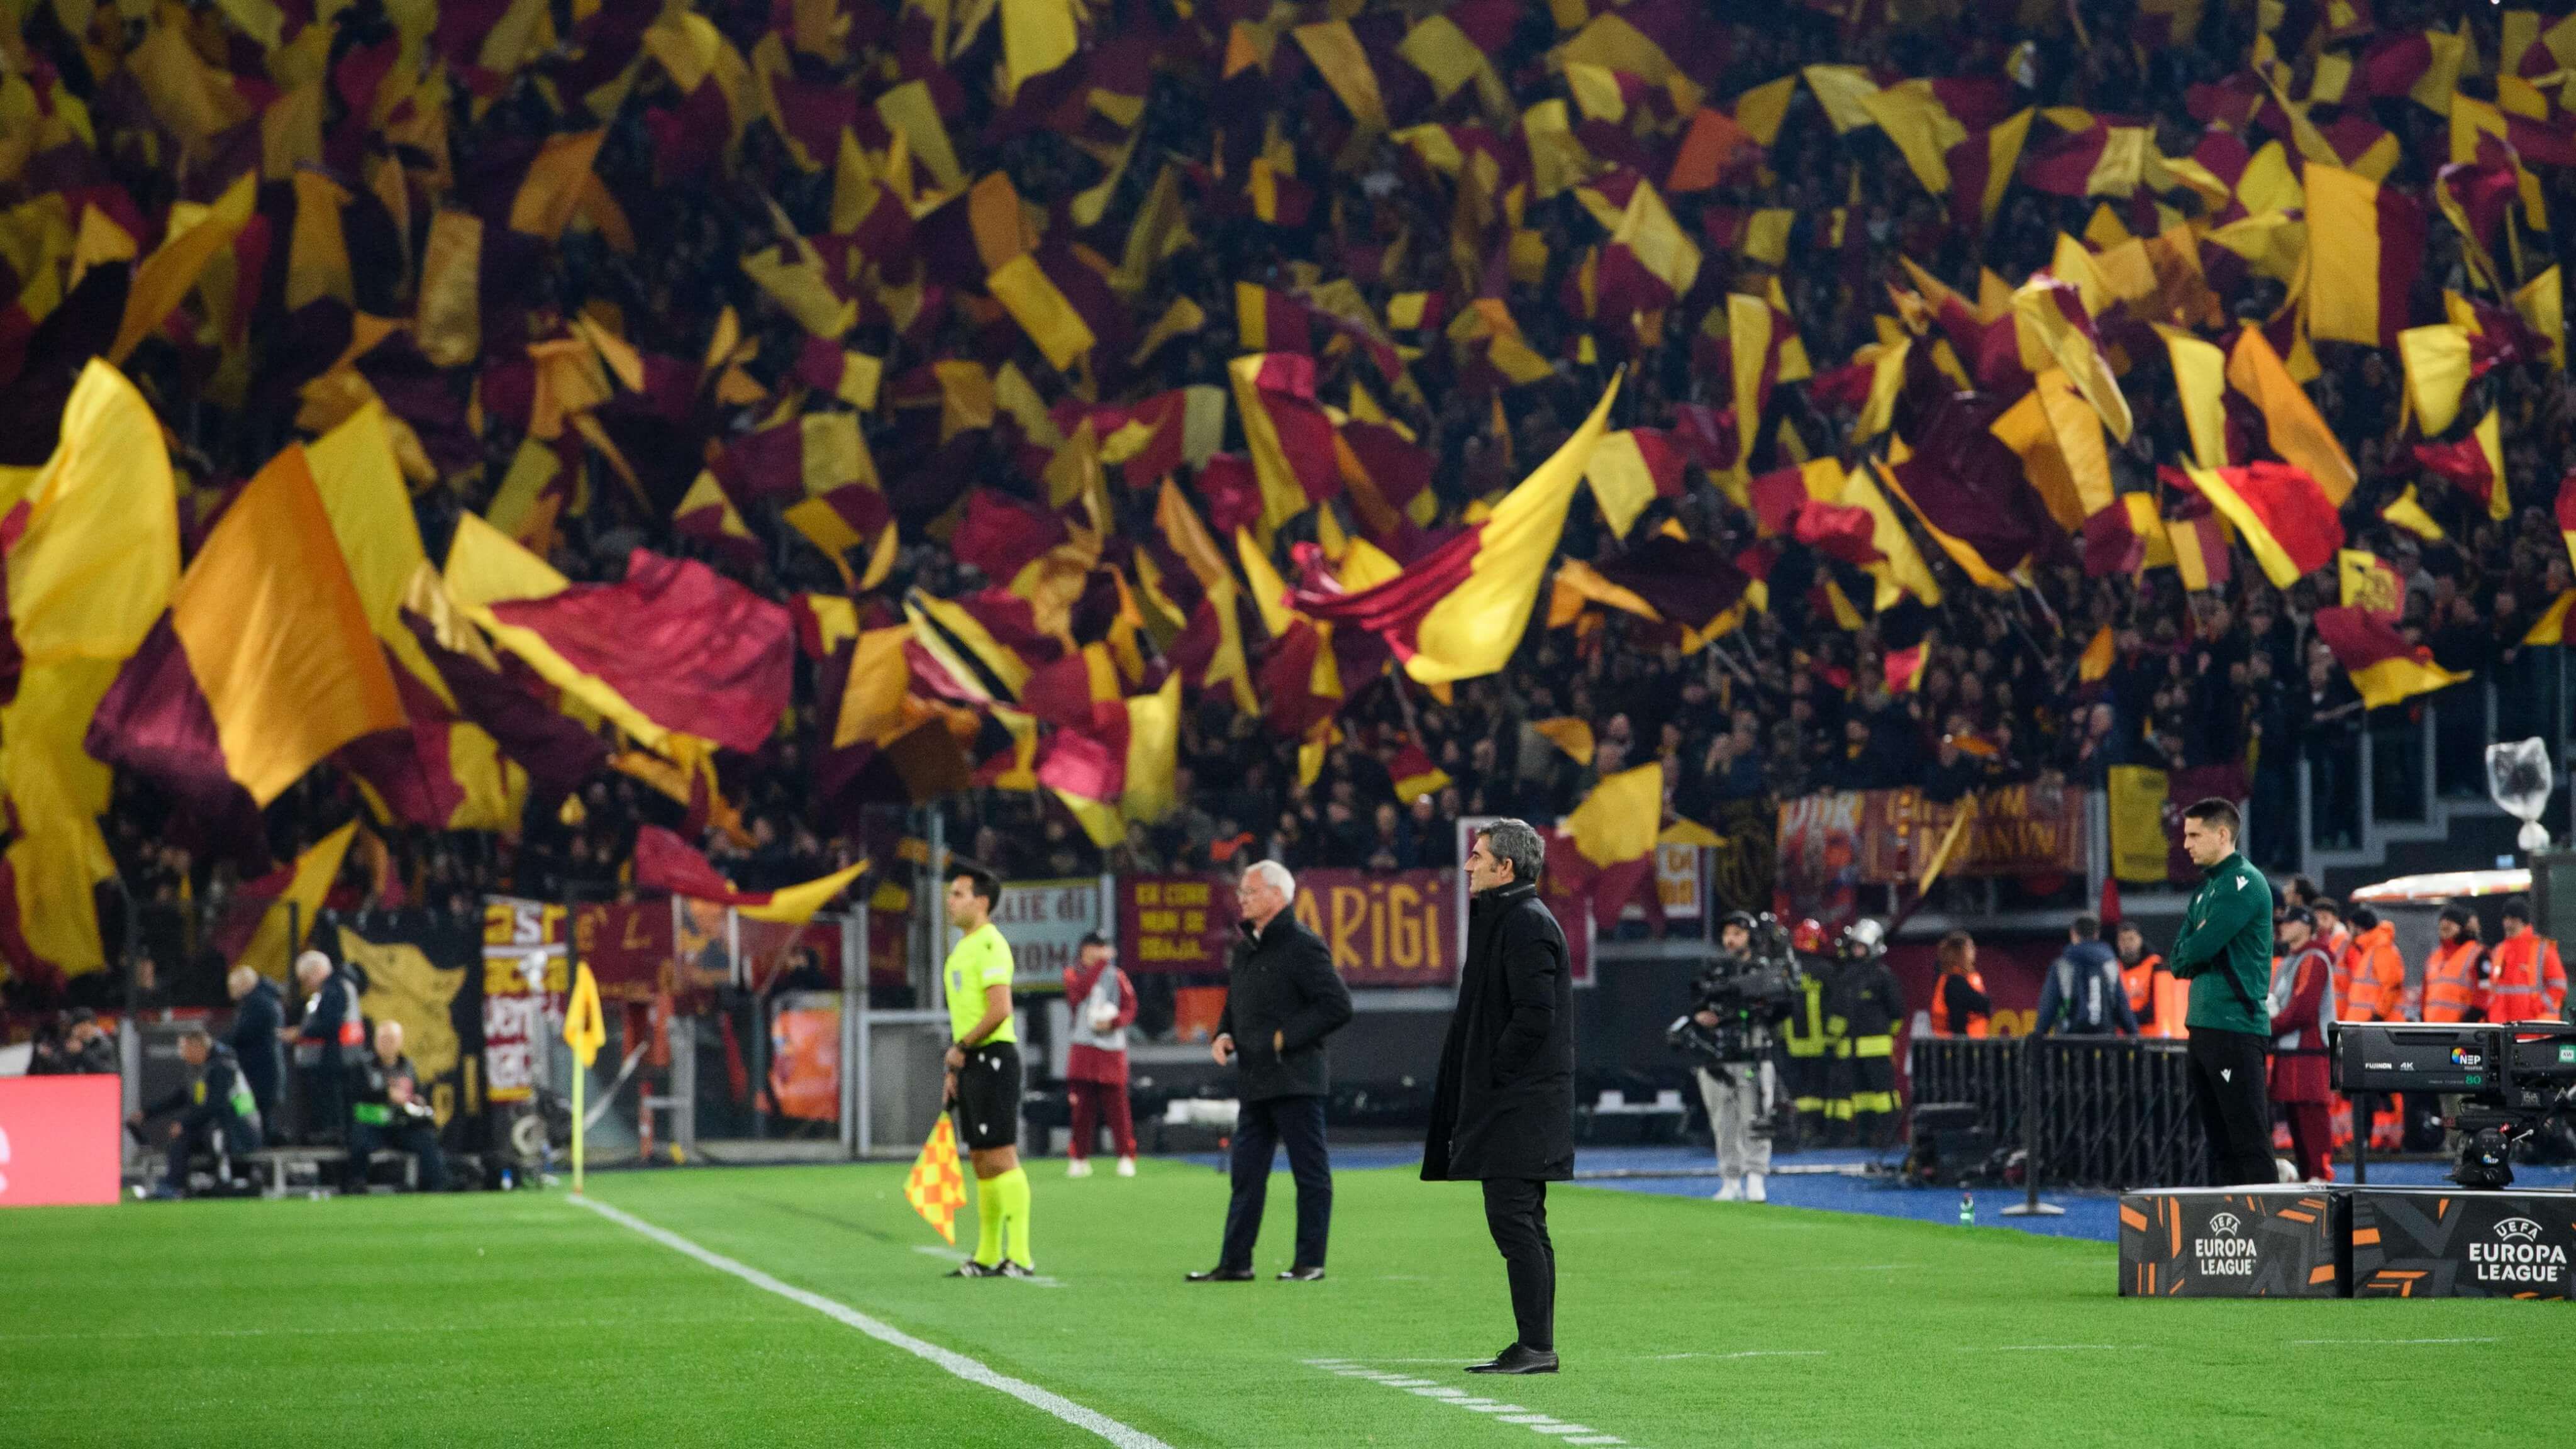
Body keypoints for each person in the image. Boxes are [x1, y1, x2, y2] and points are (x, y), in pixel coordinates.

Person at [1423, 819, 1573, 1377]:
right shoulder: (1509, 919)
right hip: (1514, 1102)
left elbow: (1535, 1017)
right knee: (1520, 1222)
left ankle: (1537, 1347)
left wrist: (1492, 1073)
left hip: (1520, 1105)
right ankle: (1534, 1343)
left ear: (1505, 868)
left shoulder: (1526, 923)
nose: (1469, 865)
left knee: (1516, 1222)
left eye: (1478, 856)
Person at [1189, 860, 1352, 1283]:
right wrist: (1224, 1033)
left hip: (1296, 1078)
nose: (1240, 899)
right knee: (1245, 1175)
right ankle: (1236, 1262)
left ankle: (1309, 1263)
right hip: (1256, 1079)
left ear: (1277, 896)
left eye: (1249, 892)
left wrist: (1284, 1038)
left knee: (1309, 1173)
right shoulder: (1247, 947)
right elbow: (1236, 1002)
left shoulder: (1303, 945)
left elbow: (1337, 1005)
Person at [2165, 799, 2281, 1186]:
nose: (2186, 845)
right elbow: (2178, 961)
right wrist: (2193, 948)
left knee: (2248, 1139)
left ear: (2222, 835)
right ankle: (2228, 1235)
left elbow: (2197, 949)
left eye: (2194, 835)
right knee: (2218, 1143)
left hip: (2235, 1026)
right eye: (2186, 836)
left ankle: (2269, 1236)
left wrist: (2195, 948)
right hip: (2203, 1027)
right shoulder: (2205, 890)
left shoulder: (2242, 884)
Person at [940, 864, 1034, 1278]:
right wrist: (957, 1065)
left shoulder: (992, 945)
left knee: (1001, 1155)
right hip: (973, 1060)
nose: (951, 900)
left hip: (994, 1056)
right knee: (980, 1159)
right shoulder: (963, 947)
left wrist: (962, 1047)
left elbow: (1000, 1010)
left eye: (959, 894)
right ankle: (986, 1255)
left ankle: (1021, 1255)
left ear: (982, 902)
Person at [1689, 912, 1775, 1201]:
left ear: (1750, 936)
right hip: (1716, 1055)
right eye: (1727, 933)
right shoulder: (1712, 969)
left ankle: (1755, 1177)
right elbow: (1698, 1006)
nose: (1730, 939)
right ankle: (1730, 1179)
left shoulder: (1764, 970)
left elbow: (1778, 1006)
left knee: (1756, 1117)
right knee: (1722, 1121)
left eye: (1737, 933)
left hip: (1753, 1053)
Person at [128, 1028, 262, 1199]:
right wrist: (147, 1114)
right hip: (222, 1125)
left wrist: (185, 1123)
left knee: (199, 1135)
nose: (181, 1054)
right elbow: (184, 1097)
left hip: (238, 1128)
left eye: (183, 1048)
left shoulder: (222, 1066)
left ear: (197, 1046)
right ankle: (172, 1186)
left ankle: (221, 1182)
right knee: (182, 1139)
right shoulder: (205, 1067)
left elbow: (216, 1105)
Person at [1060, 930, 1138, 1179]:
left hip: (1111, 1049)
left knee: (1117, 1106)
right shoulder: (1072, 973)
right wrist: (1100, 965)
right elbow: (1079, 992)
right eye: (1094, 946)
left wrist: (1115, 1022)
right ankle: (1079, 1158)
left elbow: (1130, 1007)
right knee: (1082, 1107)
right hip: (1083, 1047)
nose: (1099, 951)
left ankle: (1125, 1156)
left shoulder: (1117, 976)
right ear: (1084, 949)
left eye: (1102, 947)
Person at [2268, 906, 2336, 1184]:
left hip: (2309, 1050)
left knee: (2310, 1115)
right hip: (2292, 1049)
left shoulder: (2314, 959)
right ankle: (2312, 1176)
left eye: (2289, 921)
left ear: (2307, 926)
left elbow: (2302, 1010)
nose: (2282, 926)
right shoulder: (2290, 962)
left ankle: (2320, 1176)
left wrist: (2267, 1027)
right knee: (2298, 1117)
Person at [344, 1019, 448, 1192]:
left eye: (391, 1039)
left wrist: (417, 1100)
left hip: (402, 1123)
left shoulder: (408, 1066)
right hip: (374, 1123)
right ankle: (357, 1183)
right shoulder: (363, 1066)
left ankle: (436, 1185)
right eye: (383, 1039)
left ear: (400, 1042)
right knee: (359, 1138)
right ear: (376, 1041)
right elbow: (355, 1095)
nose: (387, 1044)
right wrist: (386, 1095)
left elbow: (417, 1092)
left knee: (427, 1139)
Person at [2337, 903, 2410, 1150]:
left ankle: (2382, 1139)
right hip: (2369, 1030)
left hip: (2376, 1031)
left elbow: (2391, 987)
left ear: (2357, 927)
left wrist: (2375, 1020)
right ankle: (2374, 1138)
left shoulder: (2381, 950)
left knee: (2379, 1090)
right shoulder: (2372, 950)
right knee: (2371, 1089)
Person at [1832, 919, 1905, 1150]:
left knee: (1883, 1094)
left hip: (1876, 1046)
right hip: (1852, 1046)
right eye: (1855, 947)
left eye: (1861, 947)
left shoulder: (1883, 976)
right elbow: (1840, 1011)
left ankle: (1890, 1134)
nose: (1856, 952)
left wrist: (1887, 1038)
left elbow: (1897, 1012)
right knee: (1861, 1094)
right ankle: (1866, 1133)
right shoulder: (1848, 976)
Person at [289, 950, 364, 1144]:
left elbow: (331, 1023)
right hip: (348, 1055)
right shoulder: (344, 985)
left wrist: (303, 1032)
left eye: (305, 979)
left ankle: (334, 1133)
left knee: (335, 1102)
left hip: (338, 1057)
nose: (306, 985)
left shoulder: (334, 988)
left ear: (315, 971)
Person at [1778, 918, 1835, 1144]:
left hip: (1791, 1042)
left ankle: (1798, 1131)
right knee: (1818, 1089)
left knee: (1796, 1089)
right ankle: (1816, 1130)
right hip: (1821, 1042)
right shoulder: (1827, 971)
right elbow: (1836, 1004)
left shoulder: (1786, 970)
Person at [2033, 916, 2137, 1036]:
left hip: (2069, 1043)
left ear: (2073, 934)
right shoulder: (2110, 966)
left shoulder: (2061, 966)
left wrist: (2039, 1034)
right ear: (2097, 934)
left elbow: (2048, 1006)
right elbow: (2122, 1006)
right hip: (2105, 1043)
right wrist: (2135, 1035)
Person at [2487, 896, 2568, 1023]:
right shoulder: (2499, 950)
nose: (2508, 923)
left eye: (2513, 919)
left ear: (2523, 921)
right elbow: (2495, 989)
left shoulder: (2543, 949)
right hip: (2503, 1026)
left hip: (2534, 1027)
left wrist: (2537, 1007)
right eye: (2506, 918)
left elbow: (2559, 986)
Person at [225, 965, 286, 1128]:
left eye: (233, 987)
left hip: (260, 1069)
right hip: (261, 1067)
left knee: (259, 1114)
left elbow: (243, 1033)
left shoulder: (258, 1003)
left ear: (244, 984)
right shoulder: (263, 999)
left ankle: (257, 1143)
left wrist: (219, 1045)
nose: (231, 992)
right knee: (260, 1114)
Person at [2116, 921, 2188, 1040]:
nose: (2127, 944)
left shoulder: (2155, 965)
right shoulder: (2115, 967)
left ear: (2140, 939)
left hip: (2149, 1036)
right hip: (2122, 1037)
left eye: (2131, 939)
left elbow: (2156, 1005)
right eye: (2123, 940)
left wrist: (2127, 1020)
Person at [2420, 905, 2490, 1023]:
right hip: (2433, 1028)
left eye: (2451, 921)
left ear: (2461, 927)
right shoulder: (2434, 957)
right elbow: (2425, 993)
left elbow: (2485, 992)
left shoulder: (2478, 954)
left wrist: (2469, 1022)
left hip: (2463, 1031)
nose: (2445, 924)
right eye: (2443, 920)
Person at [1928, 931, 1990, 1037]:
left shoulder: (1950, 978)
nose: (1974, 951)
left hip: (1966, 1043)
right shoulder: (1955, 982)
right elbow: (1958, 1019)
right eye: (1970, 947)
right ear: (1960, 952)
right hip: (1961, 1046)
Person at [31, 1008, 116, 1075]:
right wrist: (50, 1057)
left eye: (88, 1026)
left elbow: (108, 1071)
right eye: (80, 1027)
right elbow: (61, 1072)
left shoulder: (104, 1045)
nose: (84, 1030)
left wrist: (82, 1052)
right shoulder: (65, 1045)